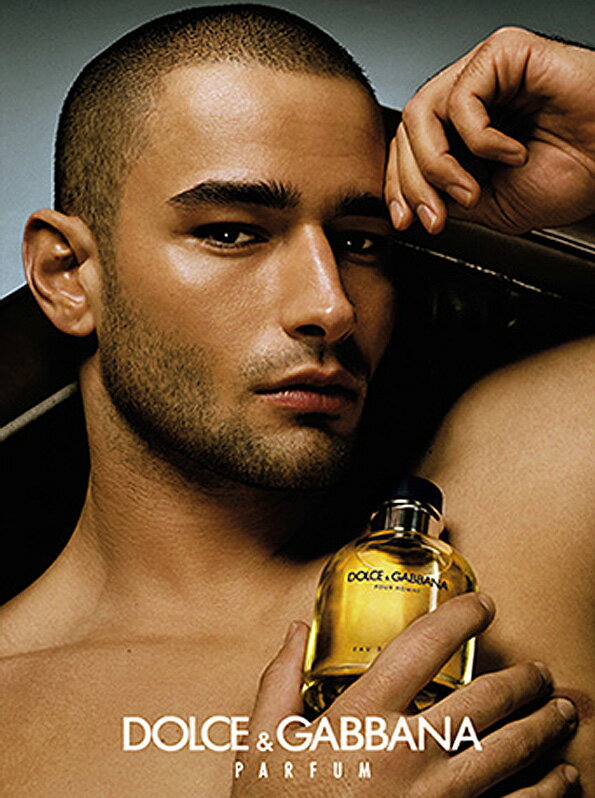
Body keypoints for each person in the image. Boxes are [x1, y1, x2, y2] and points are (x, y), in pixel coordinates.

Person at [1, 6, 593, 795]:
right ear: (68, 275)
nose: (330, 306)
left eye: (360, 242)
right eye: (232, 232)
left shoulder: (527, 483)